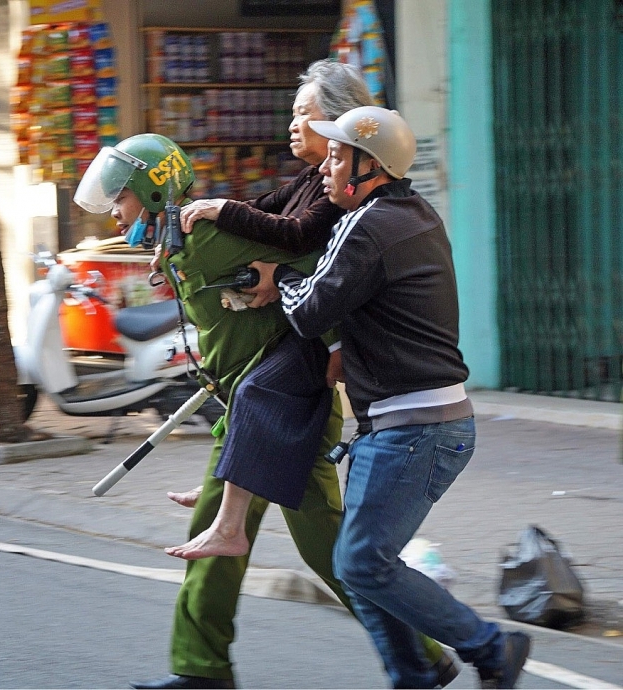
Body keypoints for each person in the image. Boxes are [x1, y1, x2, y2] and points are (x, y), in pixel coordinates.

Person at [124, 60, 459, 690]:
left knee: (334, 552)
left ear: (343, 130)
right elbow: (264, 214)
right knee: (309, 545)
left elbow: (293, 238)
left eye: (305, 114)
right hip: (268, 387)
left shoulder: (344, 205)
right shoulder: (314, 180)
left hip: (285, 387)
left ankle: (425, 653)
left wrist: (221, 217)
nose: (293, 124)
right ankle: (203, 669)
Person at [247, 105, 532, 689]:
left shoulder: (369, 225)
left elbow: (308, 312)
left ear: (368, 165)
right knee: (361, 563)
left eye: (335, 156)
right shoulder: (415, 215)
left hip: (414, 430)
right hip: (420, 424)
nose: (324, 170)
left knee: (359, 562)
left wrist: (278, 279)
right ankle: (413, 674)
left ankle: (491, 647)